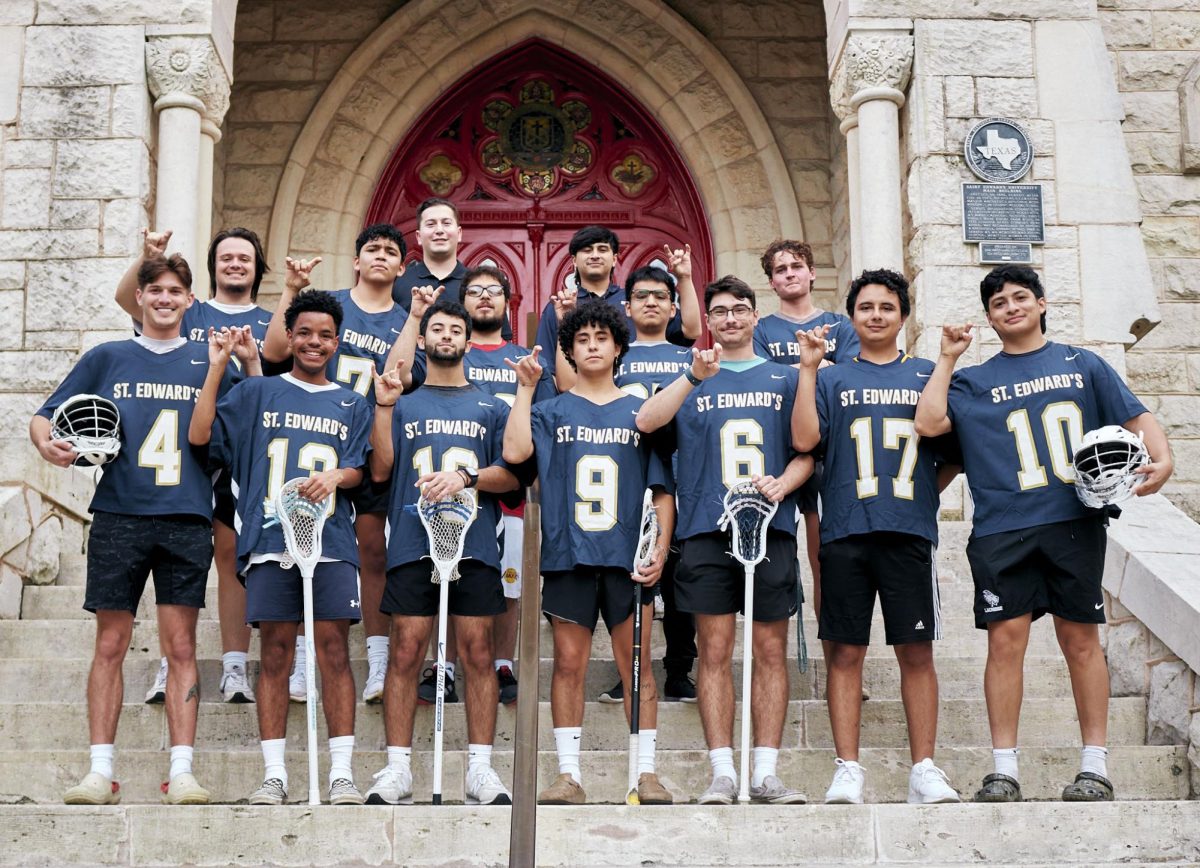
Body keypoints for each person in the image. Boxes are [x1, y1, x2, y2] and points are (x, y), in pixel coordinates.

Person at [914, 264, 1174, 803]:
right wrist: (946, 356)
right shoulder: (972, 380)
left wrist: (1164, 457)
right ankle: (1003, 768)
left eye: (1020, 297)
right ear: (989, 317)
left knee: (1080, 638)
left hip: (1071, 519)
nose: (1011, 307)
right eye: (999, 303)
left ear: (1041, 302)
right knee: (1006, 643)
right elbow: (929, 423)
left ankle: (1094, 765)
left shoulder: (1082, 364)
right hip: (1002, 526)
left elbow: (1136, 416)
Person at [33, 253, 238, 806]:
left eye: (176, 291)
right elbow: (44, 414)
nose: (166, 299)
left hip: (186, 514)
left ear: (189, 301)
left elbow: (227, 426)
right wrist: (43, 440)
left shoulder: (208, 358)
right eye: (157, 291)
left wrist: (225, 363)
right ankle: (100, 770)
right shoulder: (108, 356)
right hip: (120, 512)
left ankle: (183, 770)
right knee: (110, 641)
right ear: (140, 298)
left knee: (181, 645)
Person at [636, 275, 813, 805]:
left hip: (770, 528)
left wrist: (783, 483)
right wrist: (692, 376)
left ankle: (766, 771)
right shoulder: (689, 375)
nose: (731, 319)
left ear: (756, 317)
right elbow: (646, 421)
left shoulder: (784, 378)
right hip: (706, 530)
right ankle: (722, 771)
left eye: (740, 310)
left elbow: (807, 449)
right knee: (712, 649)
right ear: (705, 321)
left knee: (769, 649)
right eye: (720, 312)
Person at [191, 290, 370, 806]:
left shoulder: (350, 402)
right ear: (289, 336)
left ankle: (341, 774)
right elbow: (202, 437)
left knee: (334, 651)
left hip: (332, 541)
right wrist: (216, 367)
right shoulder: (256, 393)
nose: (315, 342)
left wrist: (337, 474)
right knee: (274, 652)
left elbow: (360, 466)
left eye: (325, 335)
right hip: (270, 540)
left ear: (337, 342)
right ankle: (273, 774)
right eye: (306, 332)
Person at [791, 268, 960, 805]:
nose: (877, 315)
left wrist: (919, 494)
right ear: (851, 317)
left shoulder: (928, 373)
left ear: (903, 316)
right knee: (844, 652)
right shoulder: (834, 376)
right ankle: (848, 767)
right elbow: (803, 439)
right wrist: (807, 370)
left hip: (907, 530)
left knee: (917, 649)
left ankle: (924, 768)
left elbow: (952, 454)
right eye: (866, 307)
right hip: (844, 528)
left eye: (887, 307)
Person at [503, 302, 674, 806]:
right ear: (570, 350)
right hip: (568, 554)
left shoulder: (641, 411)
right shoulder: (551, 410)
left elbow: (663, 490)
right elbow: (514, 456)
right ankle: (569, 774)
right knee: (569, 665)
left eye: (603, 336)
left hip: (628, 557)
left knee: (636, 666)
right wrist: (525, 388)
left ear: (619, 346)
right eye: (582, 339)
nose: (593, 344)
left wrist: (660, 549)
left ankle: (645, 772)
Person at [365, 300, 519, 806]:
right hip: (412, 540)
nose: (448, 335)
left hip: (474, 544)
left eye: (457, 329)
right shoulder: (402, 402)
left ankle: (480, 768)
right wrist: (384, 407)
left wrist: (466, 477)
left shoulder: (491, 406)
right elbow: (383, 469)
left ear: (469, 343)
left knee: (477, 651)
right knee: (406, 649)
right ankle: (397, 768)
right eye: (438, 329)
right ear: (424, 341)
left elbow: (511, 474)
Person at [116, 227, 273, 705]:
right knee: (173, 560)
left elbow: (268, 381)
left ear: (257, 267)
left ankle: (234, 667)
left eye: (244, 258)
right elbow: (129, 300)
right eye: (226, 257)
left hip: (231, 445)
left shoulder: (269, 320)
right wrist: (149, 257)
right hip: (180, 445)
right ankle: (170, 663)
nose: (235, 264)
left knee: (229, 558)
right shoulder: (192, 308)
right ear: (213, 265)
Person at [387, 267, 554, 706]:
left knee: (507, 587)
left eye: (493, 291)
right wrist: (416, 315)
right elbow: (395, 377)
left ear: (507, 301)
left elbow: (523, 450)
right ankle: (440, 664)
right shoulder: (415, 392)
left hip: (487, 515)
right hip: (416, 525)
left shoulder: (516, 363)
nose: (447, 335)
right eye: (438, 329)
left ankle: (503, 663)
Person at [263, 223, 408, 705]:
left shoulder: (406, 320)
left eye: (391, 251)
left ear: (402, 266)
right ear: (357, 259)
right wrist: (292, 289)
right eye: (373, 249)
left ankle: (379, 656)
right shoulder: (327, 307)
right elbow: (276, 354)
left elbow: (404, 376)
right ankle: (303, 654)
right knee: (305, 550)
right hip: (318, 441)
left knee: (370, 551)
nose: (381, 256)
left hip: (369, 443)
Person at [753, 239, 860, 657]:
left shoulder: (839, 325)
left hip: (830, 450)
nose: (790, 274)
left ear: (812, 272)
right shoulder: (762, 330)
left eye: (796, 266)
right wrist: (813, 365)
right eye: (780, 270)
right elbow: (763, 379)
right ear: (772, 282)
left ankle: (834, 654)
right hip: (780, 448)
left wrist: (798, 368)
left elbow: (849, 376)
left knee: (823, 562)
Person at [598, 262, 698, 705]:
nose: (652, 302)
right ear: (627, 305)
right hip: (631, 476)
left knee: (680, 578)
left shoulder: (689, 358)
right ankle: (631, 668)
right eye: (643, 296)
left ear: (674, 306)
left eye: (660, 296)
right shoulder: (617, 356)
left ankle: (679, 668)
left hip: (684, 474)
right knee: (634, 577)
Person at [533, 226, 700, 388]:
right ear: (574, 261)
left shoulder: (635, 300)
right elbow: (549, 373)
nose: (595, 255)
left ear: (614, 259)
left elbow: (691, 331)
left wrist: (684, 278)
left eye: (602, 249)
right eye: (587, 250)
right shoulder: (560, 306)